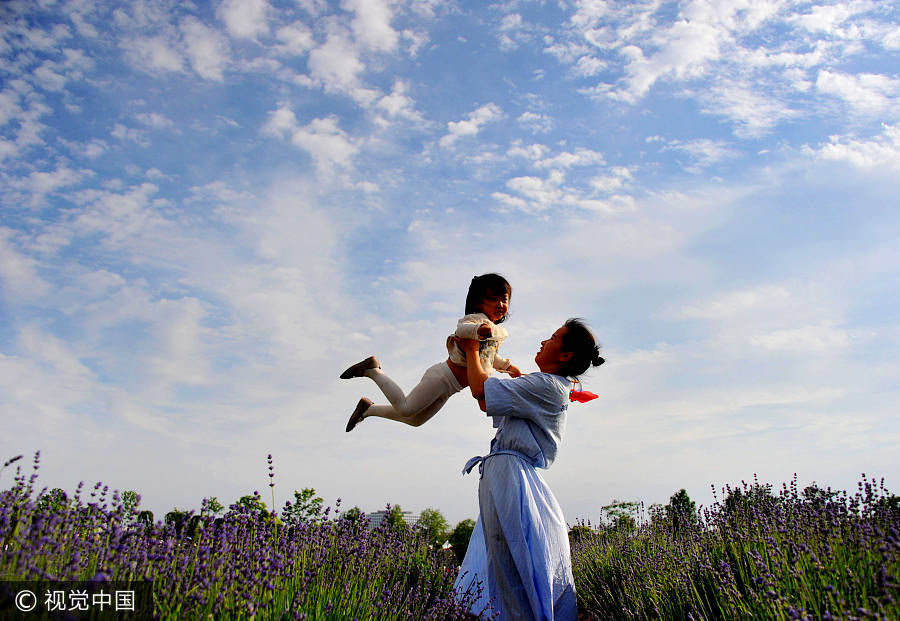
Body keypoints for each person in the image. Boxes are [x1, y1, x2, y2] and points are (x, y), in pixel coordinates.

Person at [453, 319, 604, 620]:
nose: (543, 341)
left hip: (511, 475)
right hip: (510, 474)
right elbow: (487, 399)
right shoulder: (549, 385)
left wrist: (473, 349)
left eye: (553, 338)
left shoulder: (546, 385)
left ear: (565, 355)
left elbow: (480, 391)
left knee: (510, 563)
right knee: (511, 560)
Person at [340, 273, 523, 432]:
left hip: (451, 388)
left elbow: (488, 357)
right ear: (478, 302)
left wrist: (507, 366)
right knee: (405, 409)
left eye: (504, 299)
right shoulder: (477, 320)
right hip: (441, 377)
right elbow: (462, 329)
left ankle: (368, 410)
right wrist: (478, 330)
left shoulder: (491, 331)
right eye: (493, 299)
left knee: (415, 421)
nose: (499, 304)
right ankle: (373, 370)